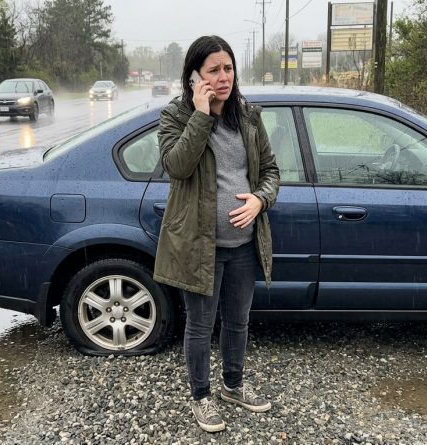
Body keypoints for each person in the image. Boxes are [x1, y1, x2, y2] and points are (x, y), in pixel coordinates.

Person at [154, 35, 280, 433]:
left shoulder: (248, 116)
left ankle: (233, 386)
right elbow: (178, 166)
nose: (224, 77)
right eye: (213, 70)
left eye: (228, 68)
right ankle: (201, 397)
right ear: (195, 77)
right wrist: (201, 114)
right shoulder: (176, 116)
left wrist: (260, 199)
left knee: (238, 321)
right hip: (199, 245)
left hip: (242, 245)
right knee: (200, 325)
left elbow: (271, 171)